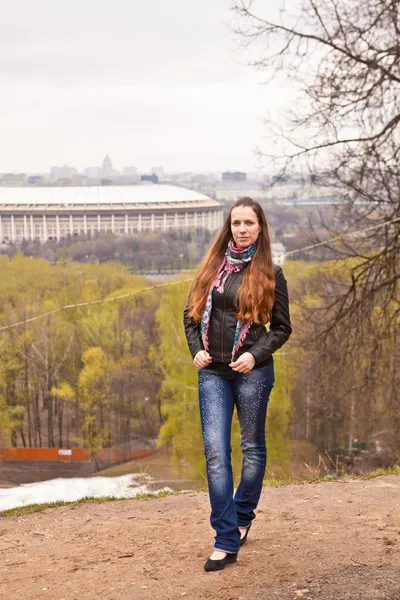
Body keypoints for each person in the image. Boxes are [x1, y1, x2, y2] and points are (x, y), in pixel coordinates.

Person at [183, 197, 292, 572]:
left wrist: (255, 355)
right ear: (228, 227)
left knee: (252, 447)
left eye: (249, 223)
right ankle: (226, 539)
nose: (242, 229)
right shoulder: (213, 268)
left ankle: (243, 513)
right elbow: (190, 314)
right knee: (215, 454)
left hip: (251, 371)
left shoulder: (271, 274)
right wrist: (196, 349)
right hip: (212, 371)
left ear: (260, 228)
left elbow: (281, 328)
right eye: (236, 223)